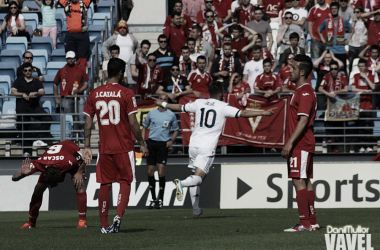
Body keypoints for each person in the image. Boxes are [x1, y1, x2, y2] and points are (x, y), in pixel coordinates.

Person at [153, 81, 275, 218]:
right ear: (220, 93)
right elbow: (243, 113)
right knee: (198, 178)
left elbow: (180, 107)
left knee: (194, 175)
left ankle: (196, 210)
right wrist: (263, 112)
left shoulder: (199, 103)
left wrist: (162, 103)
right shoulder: (223, 106)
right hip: (207, 146)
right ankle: (181, 183)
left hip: (193, 144)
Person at [83, 58, 149, 233]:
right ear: (120, 72)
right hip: (124, 146)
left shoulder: (94, 93)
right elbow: (134, 123)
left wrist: (87, 146)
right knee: (125, 182)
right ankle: (118, 216)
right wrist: (141, 143)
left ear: (106, 72)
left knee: (105, 184)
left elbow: (88, 123)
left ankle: (104, 225)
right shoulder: (126, 93)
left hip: (104, 148)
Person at [281, 54, 319, 232]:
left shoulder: (304, 92)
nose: (290, 70)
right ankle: (312, 221)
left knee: (297, 180)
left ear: (302, 72)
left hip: (301, 143)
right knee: (306, 180)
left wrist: (289, 142)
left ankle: (304, 223)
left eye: (294, 68)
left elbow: (303, 120)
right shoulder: (304, 91)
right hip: (305, 143)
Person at [12, 141, 87, 229]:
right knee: (38, 189)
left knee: (79, 183)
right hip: (54, 160)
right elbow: (14, 178)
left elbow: (86, 152)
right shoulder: (39, 163)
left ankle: (82, 221)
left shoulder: (68, 161)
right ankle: (31, 222)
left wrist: (79, 172)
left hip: (70, 150)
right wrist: (22, 174)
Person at [141, 93, 179, 209]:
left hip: (163, 145)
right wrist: (143, 144)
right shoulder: (152, 113)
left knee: (161, 173)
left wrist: (171, 140)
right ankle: (153, 199)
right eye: (161, 99)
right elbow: (144, 127)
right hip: (151, 143)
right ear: (158, 100)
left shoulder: (171, 115)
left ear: (167, 102)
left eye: (165, 99)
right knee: (150, 172)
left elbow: (176, 129)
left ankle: (160, 199)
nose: (162, 101)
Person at [11, 62, 53, 156]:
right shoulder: (19, 80)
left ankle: (39, 139)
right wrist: (22, 94)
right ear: (23, 71)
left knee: (47, 118)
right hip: (22, 108)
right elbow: (13, 92)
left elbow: (42, 91)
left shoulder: (36, 81)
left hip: (34, 107)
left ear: (32, 70)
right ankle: (26, 151)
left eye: (29, 70)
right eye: (25, 70)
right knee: (23, 126)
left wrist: (35, 93)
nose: (27, 72)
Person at [53, 51, 89, 139]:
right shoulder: (61, 70)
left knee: (81, 117)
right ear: (66, 59)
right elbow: (55, 83)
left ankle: (81, 136)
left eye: (72, 58)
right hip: (66, 97)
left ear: (75, 59)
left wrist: (79, 90)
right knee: (69, 118)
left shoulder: (81, 70)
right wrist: (56, 98)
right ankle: (71, 136)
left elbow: (86, 84)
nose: (70, 60)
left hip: (79, 97)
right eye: (69, 58)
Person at [318, 61, 348, 152]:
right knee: (328, 122)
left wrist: (336, 93)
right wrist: (329, 94)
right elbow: (320, 88)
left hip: (340, 104)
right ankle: (332, 142)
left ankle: (335, 147)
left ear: (338, 69)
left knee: (338, 124)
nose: (334, 71)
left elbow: (346, 89)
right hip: (329, 103)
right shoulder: (326, 76)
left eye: (335, 69)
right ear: (330, 70)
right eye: (332, 69)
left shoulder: (342, 76)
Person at [318, 2, 352, 75]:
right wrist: (323, 40)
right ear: (330, 10)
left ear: (338, 9)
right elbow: (319, 29)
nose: (334, 10)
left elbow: (352, 30)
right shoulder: (326, 21)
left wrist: (348, 40)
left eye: (335, 8)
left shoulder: (344, 20)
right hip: (330, 51)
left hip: (341, 50)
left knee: (343, 72)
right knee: (330, 71)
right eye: (332, 9)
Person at [351, 59, 375, 153]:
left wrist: (365, 77)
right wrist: (365, 91)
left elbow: (373, 87)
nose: (361, 68)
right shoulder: (355, 76)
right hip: (358, 104)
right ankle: (361, 146)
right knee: (360, 126)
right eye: (359, 66)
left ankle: (368, 146)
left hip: (368, 104)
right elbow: (352, 89)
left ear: (366, 66)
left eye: (363, 66)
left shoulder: (371, 76)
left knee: (368, 126)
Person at [58, 0, 91, 70]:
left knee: (82, 61)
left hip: (82, 35)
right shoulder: (67, 4)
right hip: (70, 36)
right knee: (70, 58)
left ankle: (82, 78)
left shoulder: (84, 3)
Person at [348, 6, 367, 73]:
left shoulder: (365, 22)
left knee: (362, 62)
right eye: (355, 12)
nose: (356, 14)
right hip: (352, 45)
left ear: (361, 12)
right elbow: (350, 30)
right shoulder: (352, 21)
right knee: (350, 61)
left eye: (358, 12)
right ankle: (349, 76)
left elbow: (369, 33)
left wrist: (366, 42)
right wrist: (353, 20)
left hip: (361, 46)